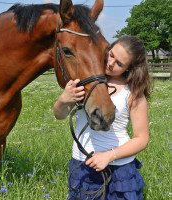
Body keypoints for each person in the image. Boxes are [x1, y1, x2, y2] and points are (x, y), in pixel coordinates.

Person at [53, 35, 152, 199]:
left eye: (119, 63)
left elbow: (141, 138)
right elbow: (59, 115)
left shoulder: (133, 93)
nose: (111, 63)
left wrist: (109, 156)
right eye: (111, 54)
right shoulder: (85, 80)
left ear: (129, 68)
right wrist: (63, 100)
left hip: (119, 169)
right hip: (83, 165)